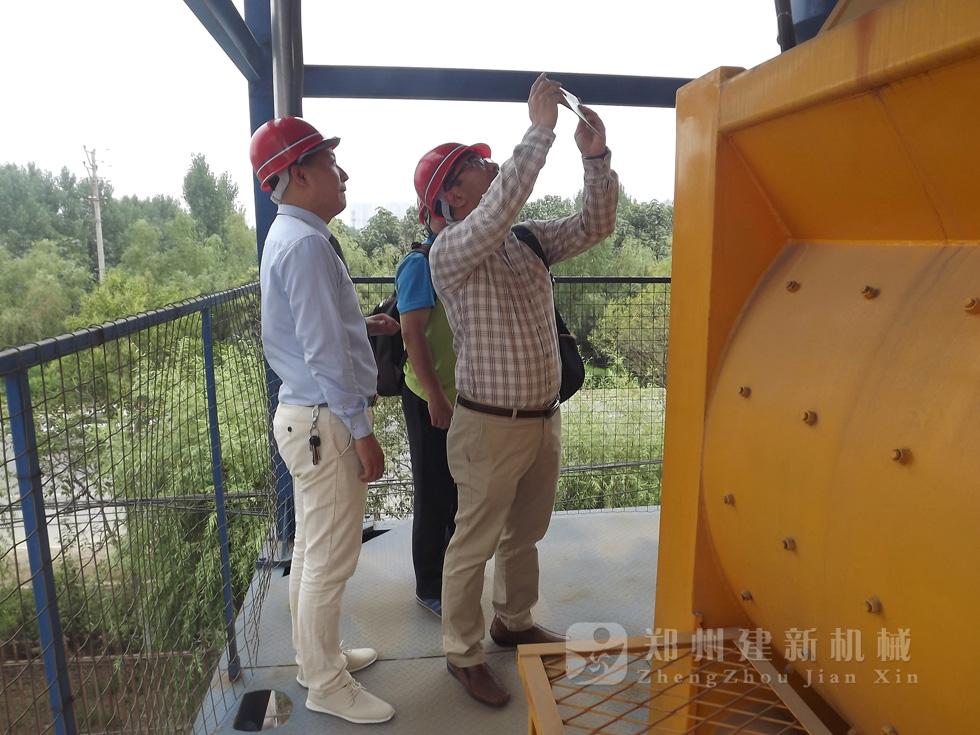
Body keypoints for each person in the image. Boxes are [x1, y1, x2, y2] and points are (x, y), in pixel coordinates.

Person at [417, 73, 619, 707]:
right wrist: (539, 132)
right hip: (488, 425)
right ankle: (462, 653)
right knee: (472, 544)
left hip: (540, 419)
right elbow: (501, 203)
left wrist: (596, 159)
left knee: (524, 533)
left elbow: (595, 225)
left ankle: (513, 620)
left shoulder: (525, 240)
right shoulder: (450, 251)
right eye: (478, 165)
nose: (491, 167)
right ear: (452, 196)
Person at [249, 116, 398, 725]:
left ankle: (318, 660)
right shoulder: (308, 244)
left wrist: (363, 324)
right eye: (331, 164)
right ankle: (326, 685)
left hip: (305, 416)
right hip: (324, 422)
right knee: (330, 559)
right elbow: (323, 353)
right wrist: (363, 432)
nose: (343, 175)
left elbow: (313, 328)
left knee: (313, 551)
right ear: (300, 174)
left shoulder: (290, 235)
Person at [395, 205, 457, 618]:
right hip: (428, 395)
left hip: (461, 395)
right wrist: (435, 395)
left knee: (458, 490)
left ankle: (452, 572)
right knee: (434, 490)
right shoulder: (420, 263)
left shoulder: (459, 257)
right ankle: (430, 586)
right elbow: (412, 333)